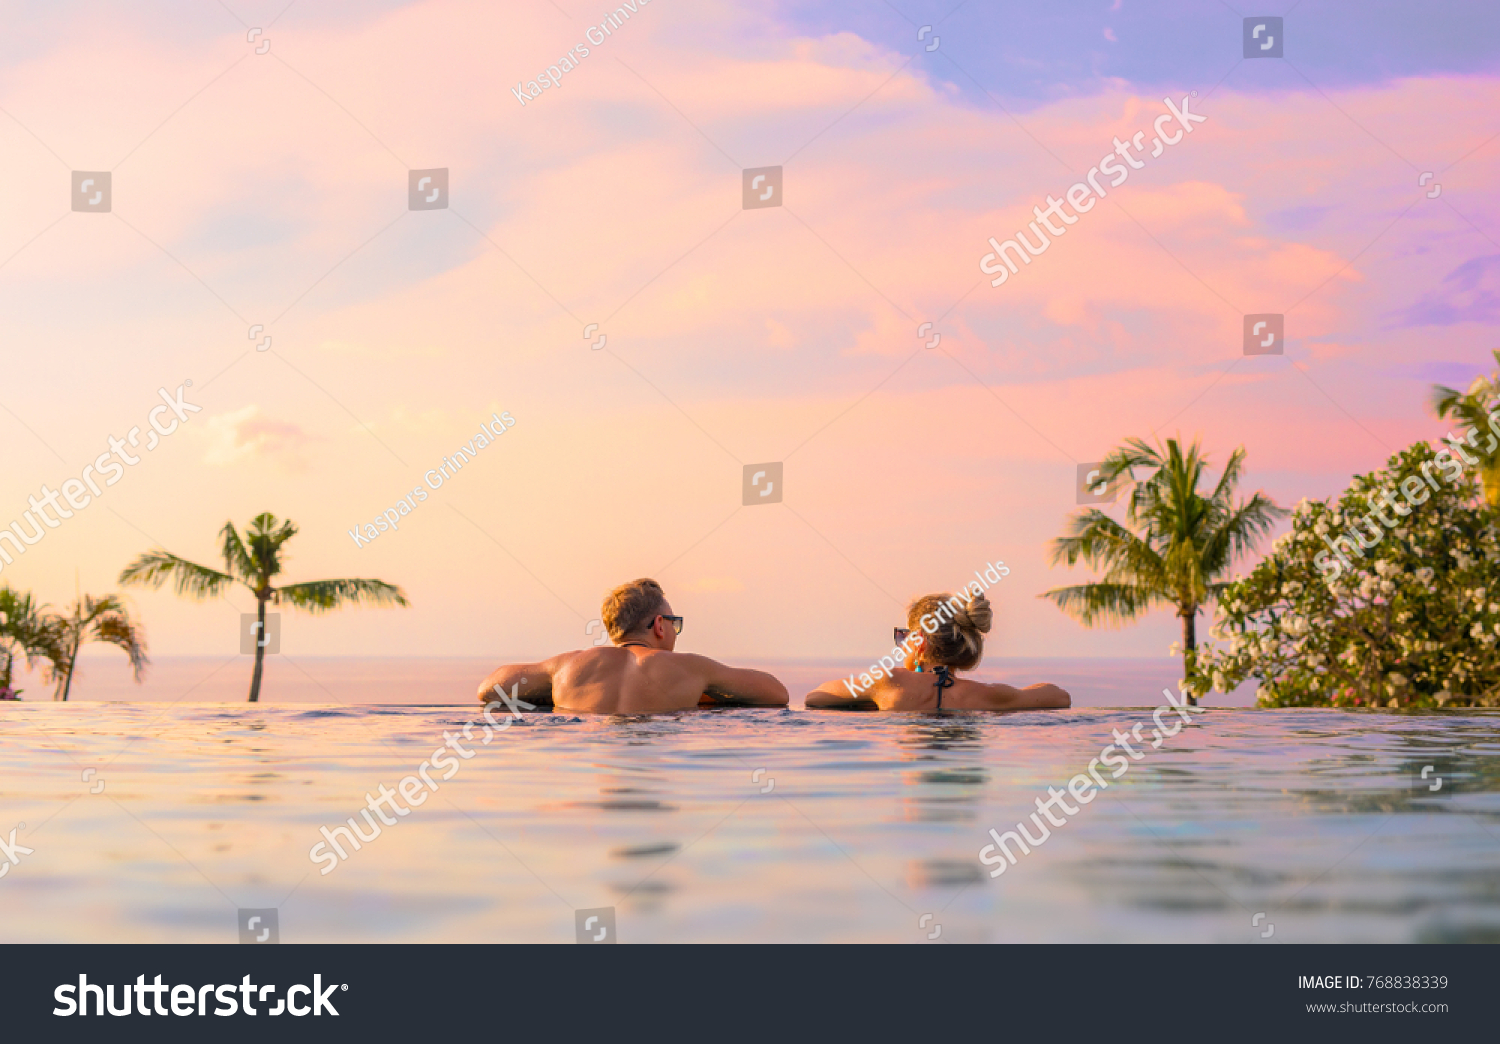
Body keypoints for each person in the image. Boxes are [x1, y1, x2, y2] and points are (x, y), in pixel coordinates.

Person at [476, 578, 789, 714]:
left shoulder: (567, 667)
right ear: (658, 625)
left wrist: (551, 691)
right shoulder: (691, 668)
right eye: (673, 622)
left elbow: (489, 688)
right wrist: (706, 693)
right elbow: (777, 694)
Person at [806, 591, 1071, 711]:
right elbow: (1060, 696)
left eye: (904, 638)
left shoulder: (887, 682)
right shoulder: (990, 696)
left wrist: (870, 699)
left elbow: (815, 697)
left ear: (919, 642)